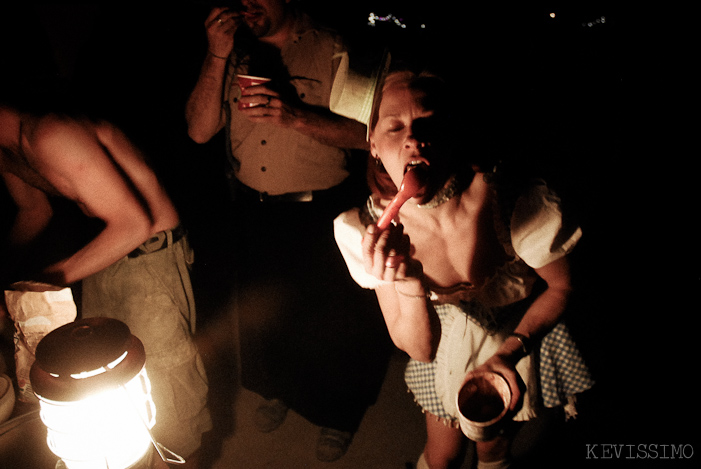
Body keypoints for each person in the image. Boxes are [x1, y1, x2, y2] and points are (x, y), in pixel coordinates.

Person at [333, 70, 595, 468]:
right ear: (372, 145)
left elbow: (561, 288)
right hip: (444, 349)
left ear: (452, 131)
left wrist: (508, 353)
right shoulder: (367, 230)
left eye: (427, 122)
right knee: (442, 457)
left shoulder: (514, 203)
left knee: (494, 450)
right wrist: (406, 281)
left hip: (518, 334)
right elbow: (421, 350)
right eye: (394, 127)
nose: (412, 138)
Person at [185, 0, 391, 462]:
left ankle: (337, 413)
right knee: (265, 316)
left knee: (332, 323)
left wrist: (293, 115)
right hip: (255, 210)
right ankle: (277, 389)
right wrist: (216, 54)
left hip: (321, 209)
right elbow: (199, 131)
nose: (245, 6)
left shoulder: (335, 46)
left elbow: (370, 134)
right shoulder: (233, 50)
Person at [0, 97, 212, 468]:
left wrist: (45, 280)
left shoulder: (49, 134)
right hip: (104, 250)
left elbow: (134, 223)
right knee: (106, 377)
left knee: (172, 396)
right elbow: (33, 211)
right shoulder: (8, 151)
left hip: (149, 253)